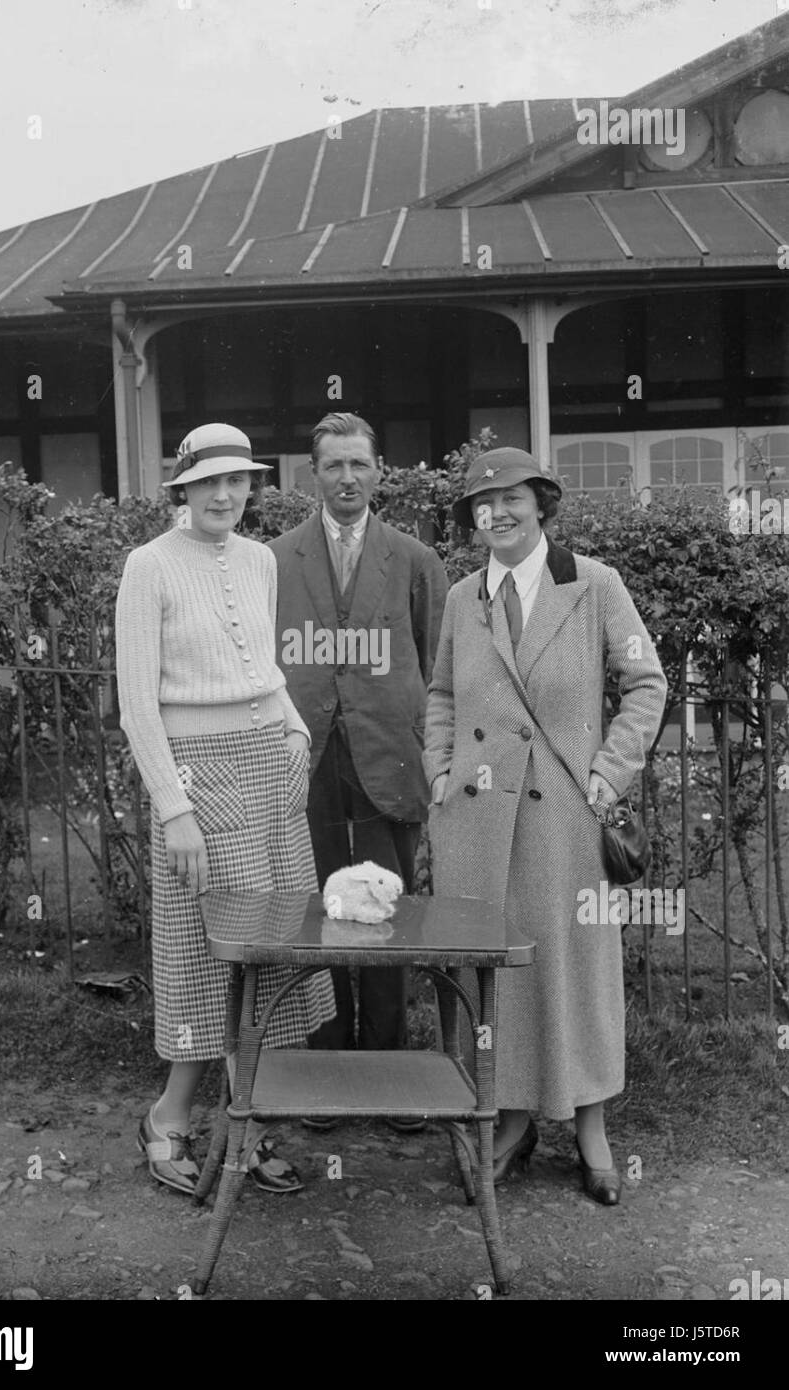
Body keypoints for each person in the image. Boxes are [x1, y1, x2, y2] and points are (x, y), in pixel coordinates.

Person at [423, 446, 666, 1204]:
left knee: (575, 968)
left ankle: (591, 1127)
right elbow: (439, 695)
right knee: (494, 975)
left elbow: (646, 682)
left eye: (512, 499)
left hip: (564, 819)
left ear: (542, 505)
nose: (497, 512)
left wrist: (609, 770)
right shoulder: (465, 596)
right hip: (476, 822)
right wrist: (438, 772)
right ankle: (512, 1120)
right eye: (481, 503)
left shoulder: (593, 586)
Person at [115, 422, 335, 1196]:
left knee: (275, 949)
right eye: (208, 482)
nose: (224, 495)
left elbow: (266, 667)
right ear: (182, 489)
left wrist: (297, 728)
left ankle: (251, 1124)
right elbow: (137, 704)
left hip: (272, 768)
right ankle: (169, 1119)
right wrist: (174, 809)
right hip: (200, 779)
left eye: (237, 480)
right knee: (209, 955)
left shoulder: (258, 560)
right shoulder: (149, 567)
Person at [269, 412, 448, 1130]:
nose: (347, 478)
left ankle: (390, 1071)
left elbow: (437, 670)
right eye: (334, 466)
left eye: (360, 466)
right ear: (313, 475)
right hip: (304, 758)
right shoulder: (275, 558)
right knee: (315, 912)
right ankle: (326, 1070)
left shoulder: (414, 560)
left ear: (381, 474)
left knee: (383, 913)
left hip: (387, 757)